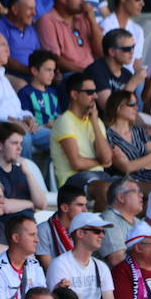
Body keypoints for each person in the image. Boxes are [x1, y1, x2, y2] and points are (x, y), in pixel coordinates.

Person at [50, 74, 114, 207]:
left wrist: (95, 122)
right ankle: (97, 227)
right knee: (105, 189)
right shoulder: (65, 121)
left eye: (95, 92)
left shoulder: (95, 121)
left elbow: (107, 159)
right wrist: (99, 161)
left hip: (99, 176)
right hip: (73, 180)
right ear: (74, 94)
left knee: (134, 189)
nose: (95, 96)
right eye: (90, 92)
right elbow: (77, 164)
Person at [37, 0, 103, 75]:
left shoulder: (84, 16)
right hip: (70, 76)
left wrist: (92, 21)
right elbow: (54, 59)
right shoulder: (47, 20)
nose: (83, 0)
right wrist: (84, 71)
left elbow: (101, 52)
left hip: (91, 72)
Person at [0, 122, 48, 216]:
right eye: (14, 143)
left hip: (29, 225)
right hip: (6, 227)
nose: (20, 148)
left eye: (20, 143)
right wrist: (30, 203)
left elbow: (42, 204)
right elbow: (3, 206)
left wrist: (28, 174)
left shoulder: (22, 171)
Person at [102, 91, 151, 186]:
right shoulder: (108, 136)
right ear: (118, 107)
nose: (136, 108)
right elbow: (126, 168)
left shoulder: (139, 131)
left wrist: (136, 165)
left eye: (136, 104)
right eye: (132, 104)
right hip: (129, 182)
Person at [86, 29, 148, 112]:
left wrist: (144, 125)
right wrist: (133, 83)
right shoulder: (96, 70)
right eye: (127, 49)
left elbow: (132, 111)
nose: (132, 52)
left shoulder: (127, 74)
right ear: (112, 51)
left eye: (133, 47)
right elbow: (108, 108)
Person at [100, 0, 151, 75]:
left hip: (131, 79)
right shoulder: (105, 25)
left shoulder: (138, 30)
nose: (142, 3)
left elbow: (137, 63)